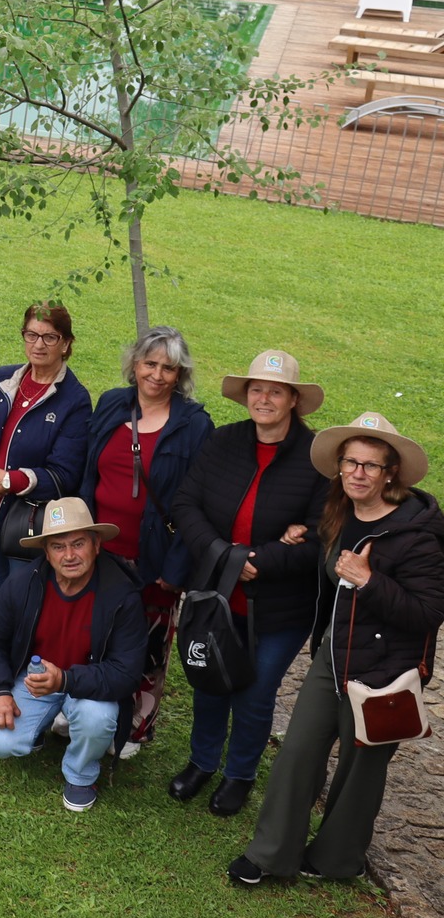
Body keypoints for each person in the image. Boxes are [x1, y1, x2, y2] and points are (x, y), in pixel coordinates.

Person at [229, 413, 444, 886]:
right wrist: (298, 538)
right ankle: (269, 857)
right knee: (299, 752)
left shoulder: (417, 534)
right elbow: (329, 577)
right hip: (334, 655)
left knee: (359, 768)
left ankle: (336, 861)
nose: (358, 474)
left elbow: (428, 612)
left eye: (371, 465)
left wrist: (370, 582)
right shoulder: (339, 512)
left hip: (387, 670)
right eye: (350, 463)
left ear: (391, 473)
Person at [168, 349, 328, 819]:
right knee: (209, 680)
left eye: (275, 391)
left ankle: (239, 774)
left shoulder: (317, 459)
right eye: (257, 389)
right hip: (217, 591)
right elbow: (185, 504)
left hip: (278, 606)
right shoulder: (224, 441)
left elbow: (322, 535)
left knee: (255, 692)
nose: (264, 398)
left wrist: (266, 559)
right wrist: (226, 557)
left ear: (293, 400)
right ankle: (202, 762)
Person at [78, 326, 215, 756]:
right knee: (94, 633)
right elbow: (89, 472)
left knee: (148, 643)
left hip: (153, 556)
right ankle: (87, 710)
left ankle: (136, 725)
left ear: (180, 374)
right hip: (99, 547)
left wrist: (176, 571)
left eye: (168, 368)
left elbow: (197, 503)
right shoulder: (111, 404)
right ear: (134, 364)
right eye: (150, 363)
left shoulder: (194, 425)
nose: (157, 374)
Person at [0, 303, 93, 694]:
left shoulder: (74, 400)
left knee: (22, 596)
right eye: (32, 335)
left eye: (50, 337)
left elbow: (65, 474)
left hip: (26, 521)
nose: (39, 344)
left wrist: (8, 481)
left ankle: (15, 668)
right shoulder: (2, 380)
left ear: (66, 344)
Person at [0, 498, 148, 813]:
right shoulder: (23, 583)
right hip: (35, 677)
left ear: (97, 545)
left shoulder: (122, 595)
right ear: (46, 552)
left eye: (78, 544)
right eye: (58, 546)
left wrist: (65, 680)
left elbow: (126, 673)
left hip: (88, 683)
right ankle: (38, 727)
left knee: (96, 718)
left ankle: (81, 774)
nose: (69, 556)